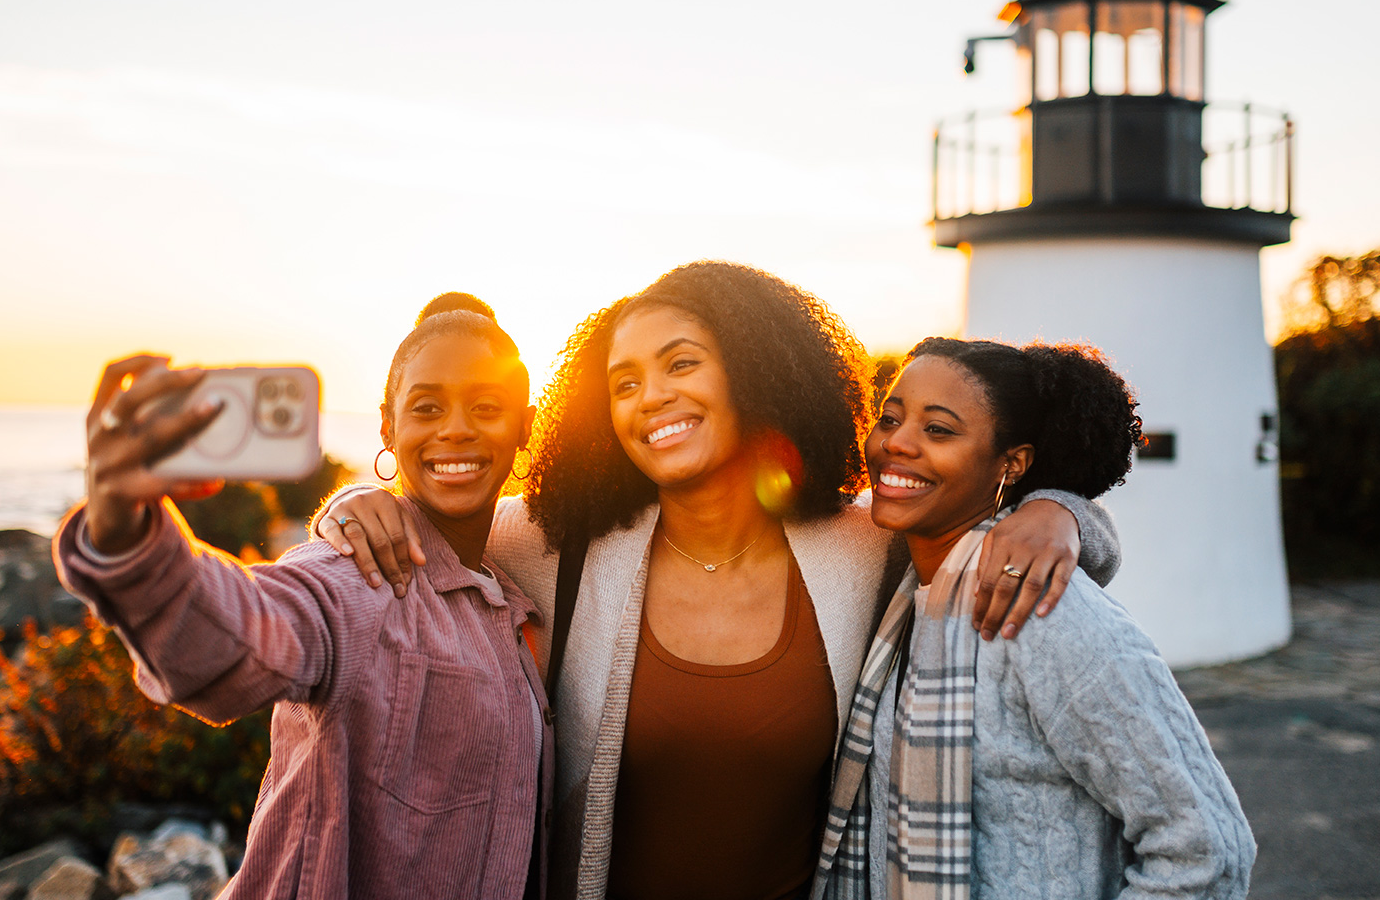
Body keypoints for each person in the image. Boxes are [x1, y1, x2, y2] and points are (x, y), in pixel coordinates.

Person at [318, 262, 1125, 900]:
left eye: (681, 364)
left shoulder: (862, 548)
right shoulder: (555, 543)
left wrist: (1061, 509)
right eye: (625, 382)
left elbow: (985, 521)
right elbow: (429, 521)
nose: (652, 397)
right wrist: (353, 502)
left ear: (752, 371)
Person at [54, 297, 552, 900]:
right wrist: (129, 538)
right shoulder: (363, 573)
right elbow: (239, 642)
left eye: (486, 406)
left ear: (525, 425)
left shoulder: (510, 600)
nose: (455, 427)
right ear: (389, 429)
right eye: (427, 407)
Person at [813, 339, 1254, 900]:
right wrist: (1064, 508)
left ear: (1012, 463)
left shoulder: (1044, 613)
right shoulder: (898, 588)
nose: (897, 443)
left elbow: (1207, 849)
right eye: (891, 419)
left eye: (939, 430)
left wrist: (1062, 508)